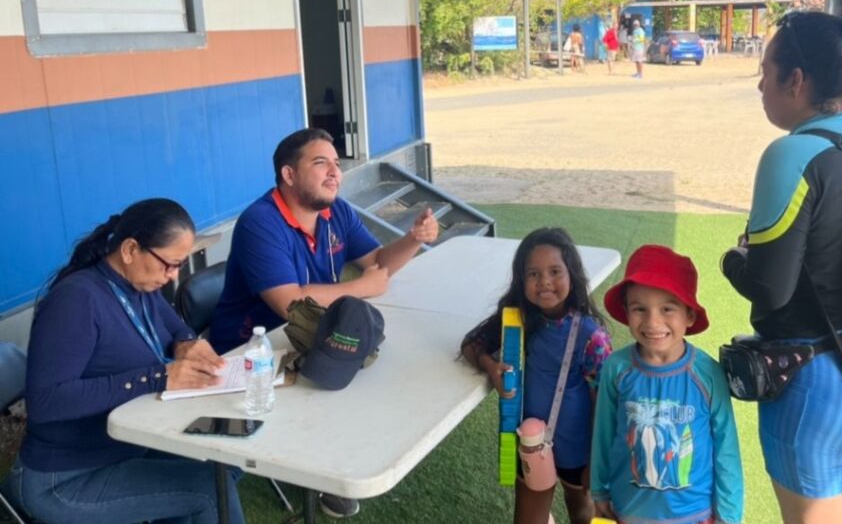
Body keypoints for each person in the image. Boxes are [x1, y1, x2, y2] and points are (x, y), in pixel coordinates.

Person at [719, 6, 842, 524]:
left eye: (765, 73)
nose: (759, 87)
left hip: (811, 383)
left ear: (795, 80)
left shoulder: (791, 154)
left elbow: (769, 288)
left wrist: (735, 258)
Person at [209, 127, 439, 518]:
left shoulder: (337, 212)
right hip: (253, 351)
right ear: (289, 175)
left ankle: (326, 466)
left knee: (368, 369)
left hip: (310, 336)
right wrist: (359, 288)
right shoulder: (259, 222)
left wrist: (413, 239)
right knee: (344, 375)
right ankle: (262, 470)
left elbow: (378, 265)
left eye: (336, 164)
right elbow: (288, 304)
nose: (335, 172)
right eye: (321, 163)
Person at [0, 198, 246, 524]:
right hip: (65, 477)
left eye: (180, 266)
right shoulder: (76, 301)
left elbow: (175, 327)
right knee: (209, 489)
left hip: (126, 444)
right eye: (168, 265)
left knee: (227, 463)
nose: (173, 277)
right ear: (131, 250)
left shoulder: (139, 286)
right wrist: (157, 377)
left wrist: (187, 343)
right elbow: (46, 401)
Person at [460, 227, 612, 524]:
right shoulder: (518, 317)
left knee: (582, 512)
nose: (544, 281)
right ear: (521, 279)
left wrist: (596, 461)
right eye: (533, 274)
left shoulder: (592, 337)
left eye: (555, 271)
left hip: (579, 450)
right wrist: (491, 366)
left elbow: (604, 404)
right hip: (532, 445)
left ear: (572, 275)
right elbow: (471, 344)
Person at [591, 245, 743, 524]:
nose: (653, 322)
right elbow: (603, 433)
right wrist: (599, 489)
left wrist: (729, 516)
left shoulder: (708, 374)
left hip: (693, 515)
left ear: (689, 315)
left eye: (667, 309)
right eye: (640, 309)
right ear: (626, 311)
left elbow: (726, 447)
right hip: (629, 511)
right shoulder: (617, 368)